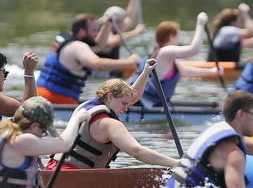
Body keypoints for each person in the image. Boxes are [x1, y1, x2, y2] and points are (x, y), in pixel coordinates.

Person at [46, 61, 178, 170]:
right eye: (124, 104)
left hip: (52, 169)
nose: (126, 109)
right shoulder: (108, 123)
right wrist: (177, 164)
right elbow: (137, 151)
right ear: (110, 97)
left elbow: (132, 96)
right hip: (72, 175)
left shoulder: (85, 106)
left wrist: (145, 73)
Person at [36, 14, 142, 105]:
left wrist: (107, 24)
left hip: (40, 94)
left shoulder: (65, 38)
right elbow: (97, 64)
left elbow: (99, 46)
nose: (97, 34)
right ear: (82, 32)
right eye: (94, 30)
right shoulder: (78, 47)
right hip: (57, 99)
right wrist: (130, 61)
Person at [131, 12, 223, 106]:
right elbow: (195, 49)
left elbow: (185, 72)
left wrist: (212, 72)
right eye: (177, 36)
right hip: (144, 103)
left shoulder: (161, 52)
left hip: (152, 102)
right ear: (171, 37)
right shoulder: (166, 51)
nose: (178, 40)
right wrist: (200, 23)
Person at [94, 0, 147, 75]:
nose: (125, 23)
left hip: (111, 71)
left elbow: (130, 16)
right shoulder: (105, 30)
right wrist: (135, 32)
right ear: (117, 22)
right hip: (101, 73)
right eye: (122, 21)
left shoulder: (116, 26)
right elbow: (110, 42)